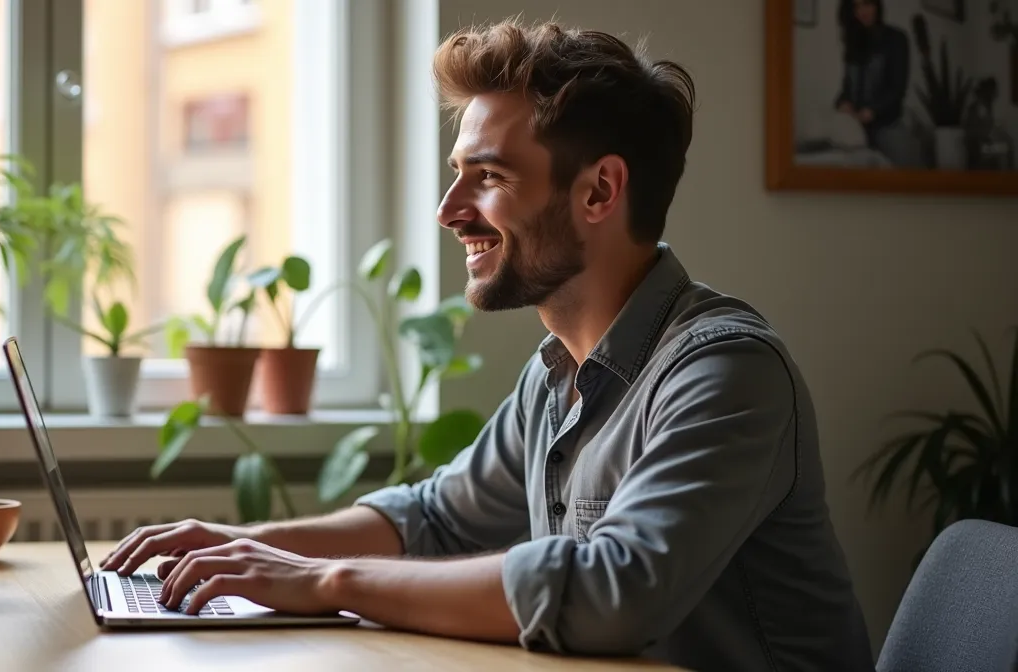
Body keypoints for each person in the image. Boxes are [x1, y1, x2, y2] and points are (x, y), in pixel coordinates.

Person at [103, 19, 875, 671]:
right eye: (455, 173)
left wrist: (325, 580)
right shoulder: (557, 376)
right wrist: (244, 549)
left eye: (488, 176)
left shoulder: (727, 372)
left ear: (600, 191)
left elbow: (613, 593)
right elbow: (432, 518)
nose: (448, 209)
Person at [834, 0, 911, 161]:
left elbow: (898, 87)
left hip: (888, 127)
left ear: (877, 5)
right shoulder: (853, 43)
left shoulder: (895, 38)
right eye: (856, 6)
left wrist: (873, 110)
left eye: (867, 3)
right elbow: (848, 88)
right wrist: (842, 102)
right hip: (857, 131)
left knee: (910, 180)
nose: (862, 11)